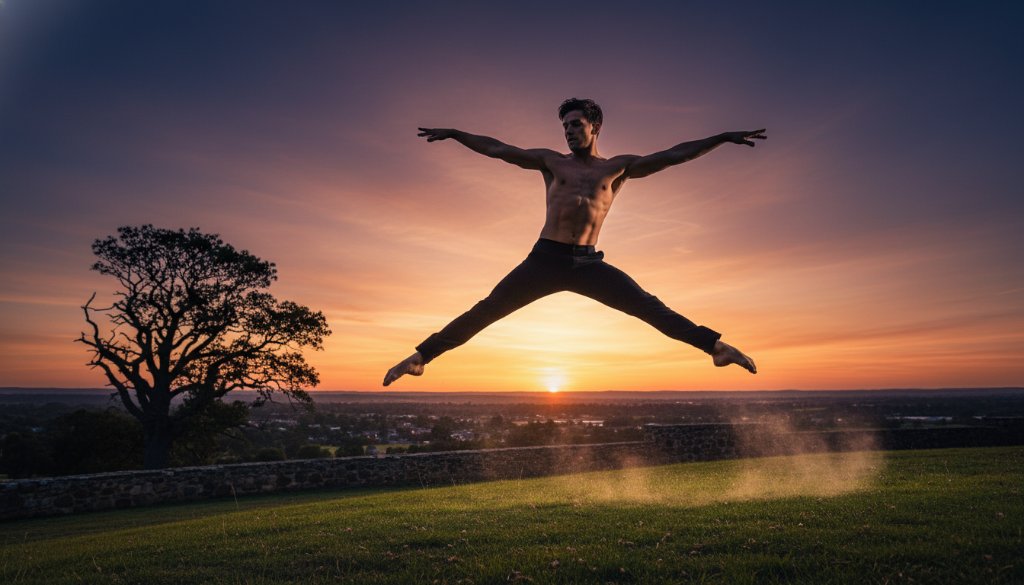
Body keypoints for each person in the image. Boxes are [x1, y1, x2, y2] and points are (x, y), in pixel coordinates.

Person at [383, 98, 764, 387]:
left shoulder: (618, 167)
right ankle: (421, 357)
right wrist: (455, 134)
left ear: (595, 126)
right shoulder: (551, 162)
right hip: (545, 259)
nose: (568, 131)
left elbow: (675, 155)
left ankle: (716, 349)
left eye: (576, 124)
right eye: (564, 126)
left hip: (588, 264)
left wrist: (721, 138)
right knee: (488, 309)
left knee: (649, 307)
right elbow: (498, 149)